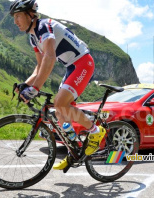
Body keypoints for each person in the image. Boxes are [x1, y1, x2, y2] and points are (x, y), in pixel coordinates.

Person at [10, 0, 106, 170]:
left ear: (30, 15)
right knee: (60, 113)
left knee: (61, 103)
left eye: (18, 16)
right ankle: (75, 151)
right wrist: (25, 84)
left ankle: (96, 132)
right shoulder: (33, 37)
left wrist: (36, 88)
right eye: (14, 17)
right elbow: (39, 67)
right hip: (71, 67)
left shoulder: (43, 27)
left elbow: (50, 57)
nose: (15, 21)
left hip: (83, 63)